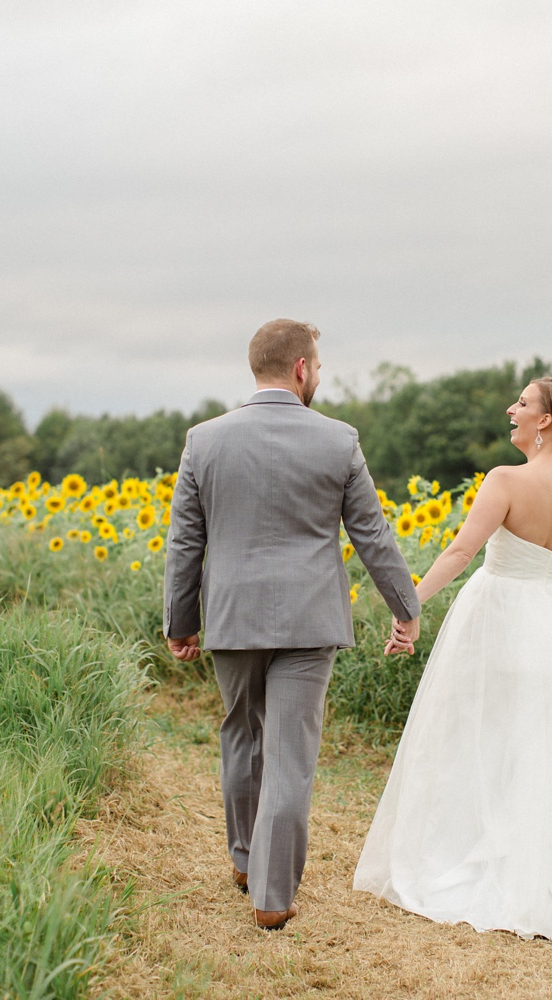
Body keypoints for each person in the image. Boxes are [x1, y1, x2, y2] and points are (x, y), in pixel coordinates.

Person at [353, 375, 552, 945]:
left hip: (495, 615)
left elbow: (462, 550)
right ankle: (542, 866)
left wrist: (410, 605)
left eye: (522, 403)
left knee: (480, 732)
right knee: (540, 744)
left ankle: (479, 852)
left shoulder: (505, 480)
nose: (510, 409)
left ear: (544, 421)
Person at [164, 318, 421, 931]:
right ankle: (273, 897)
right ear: (302, 368)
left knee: (241, 736)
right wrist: (405, 608)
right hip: (309, 622)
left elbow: (184, 544)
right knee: (290, 755)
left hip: (231, 618)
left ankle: (245, 862)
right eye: (320, 367)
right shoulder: (339, 441)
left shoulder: (204, 441)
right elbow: (373, 538)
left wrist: (180, 621)